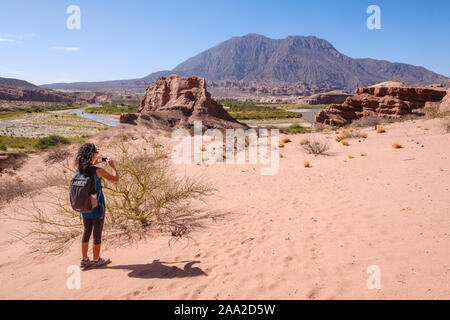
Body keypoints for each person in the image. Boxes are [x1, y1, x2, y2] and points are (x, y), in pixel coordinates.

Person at [75, 143, 119, 269]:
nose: (98, 153)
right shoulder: (98, 171)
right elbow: (115, 179)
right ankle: (96, 260)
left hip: (84, 206)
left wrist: (96, 160)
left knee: (86, 231)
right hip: (97, 206)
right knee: (97, 234)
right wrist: (113, 166)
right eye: (96, 152)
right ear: (92, 154)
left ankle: (84, 260)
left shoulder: (80, 169)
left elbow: (91, 167)